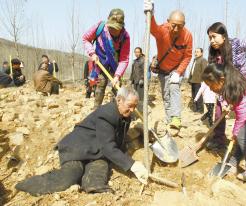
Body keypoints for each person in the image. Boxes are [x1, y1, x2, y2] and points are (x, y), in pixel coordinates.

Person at [15, 86, 148, 196]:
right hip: (78, 148)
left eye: (134, 107)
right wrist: (131, 165)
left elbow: (119, 143)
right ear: (119, 100)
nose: (132, 110)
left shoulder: (125, 116)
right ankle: (25, 185)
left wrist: (131, 163)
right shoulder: (107, 114)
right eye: (130, 106)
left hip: (95, 150)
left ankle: (93, 188)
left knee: (98, 173)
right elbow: (107, 146)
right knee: (69, 176)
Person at [205, 22, 246, 150]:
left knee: (244, 114)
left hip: (244, 86)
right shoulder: (213, 54)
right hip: (224, 86)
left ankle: (243, 142)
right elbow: (215, 80)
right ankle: (218, 139)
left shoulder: (237, 44)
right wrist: (223, 102)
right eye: (210, 37)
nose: (212, 40)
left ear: (223, 36)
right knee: (219, 112)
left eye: (214, 36)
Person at [144, 1, 193, 128]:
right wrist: (151, 15)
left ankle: (176, 118)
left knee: (174, 87)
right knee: (166, 95)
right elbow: (154, 30)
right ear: (168, 22)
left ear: (184, 25)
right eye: (173, 25)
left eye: (180, 26)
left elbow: (187, 56)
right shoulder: (163, 30)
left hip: (177, 68)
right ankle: (169, 119)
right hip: (163, 69)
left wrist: (178, 72)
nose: (176, 29)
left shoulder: (187, 36)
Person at [82, 8, 130, 110]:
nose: (112, 30)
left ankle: (114, 112)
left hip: (116, 66)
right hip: (101, 63)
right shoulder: (100, 26)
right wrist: (92, 53)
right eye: (111, 27)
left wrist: (117, 76)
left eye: (116, 28)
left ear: (122, 26)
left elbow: (124, 59)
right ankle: (96, 111)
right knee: (101, 85)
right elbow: (85, 38)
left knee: (116, 89)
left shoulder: (125, 37)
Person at [188, 48, 207, 114]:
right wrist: (190, 80)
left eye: (198, 52)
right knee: (193, 95)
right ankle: (195, 108)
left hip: (199, 80)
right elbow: (192, 71)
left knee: (198, 95)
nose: (196, 53)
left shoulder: (203, 60)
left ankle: (200, 110)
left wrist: (203, 80)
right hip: (193, 80)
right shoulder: (195, 60)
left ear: (201, 53)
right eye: (195, 52)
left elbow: (204, 71)